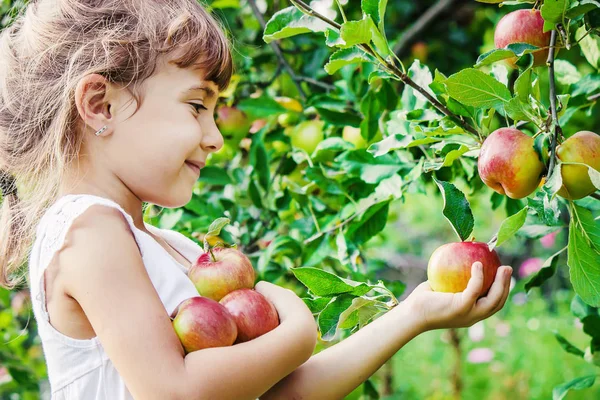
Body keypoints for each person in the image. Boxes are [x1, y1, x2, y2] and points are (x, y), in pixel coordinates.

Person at [0, 1, 513, 399]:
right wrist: (299, 334)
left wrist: (414, 313)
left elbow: (280, 392)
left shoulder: (174, 247)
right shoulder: (87, 231)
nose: (215, 137)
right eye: (197, 106)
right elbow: (174, 391)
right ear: (100, 104)